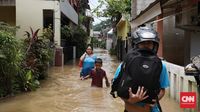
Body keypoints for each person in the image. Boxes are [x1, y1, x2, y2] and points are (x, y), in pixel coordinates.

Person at [112, 26, 170, 112]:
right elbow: (118, 88)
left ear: (154, 45)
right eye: (143, 43)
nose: (146, 46)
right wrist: (130, 100)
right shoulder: (125, 64)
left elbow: (162, 89)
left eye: (149, 43)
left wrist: (155, 100)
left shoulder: (160, 65)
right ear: (136, 44)